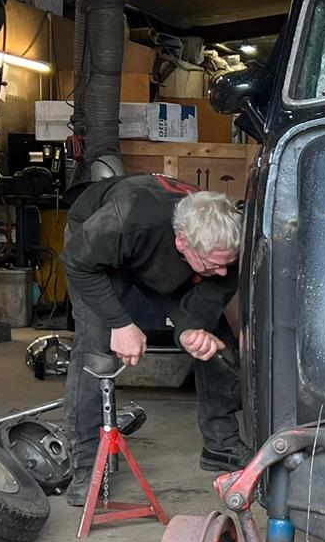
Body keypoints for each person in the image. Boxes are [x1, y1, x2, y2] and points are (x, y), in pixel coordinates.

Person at [60, 174, 246, 505]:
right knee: (95, 349)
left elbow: (216, 285)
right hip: (95, 255)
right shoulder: (126, 219)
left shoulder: (223, 245)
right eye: (213, 265)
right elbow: (78, 262)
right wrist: (120, 323)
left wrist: (191, 328)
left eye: (227, 264)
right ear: (182, 241)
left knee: (213, 342)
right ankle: (88, 467)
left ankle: (221, 443)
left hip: (159, 251)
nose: (222, 272)